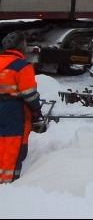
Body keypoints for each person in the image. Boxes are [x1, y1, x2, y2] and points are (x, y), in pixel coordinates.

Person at [0, 32, 44, 184]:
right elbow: (30, 94)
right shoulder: (21, 67)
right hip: (13, 111)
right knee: (12, 147)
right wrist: (36, 111)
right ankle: (8, 184)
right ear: (20, 46)